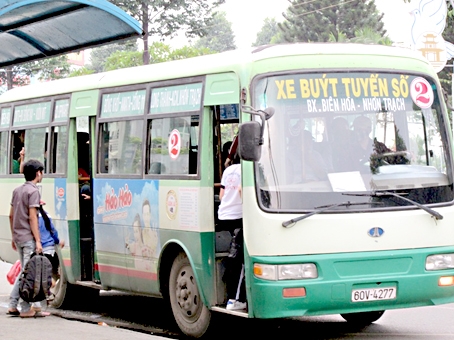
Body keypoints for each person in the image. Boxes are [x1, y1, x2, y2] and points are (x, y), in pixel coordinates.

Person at [7, 159, 47, 318]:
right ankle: (24, 308)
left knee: (24, 271)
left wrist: (13, 236)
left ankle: (14, 305)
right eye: (42, 172)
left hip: (18, 236)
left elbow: (11, 215)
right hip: (28, 237)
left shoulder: (17, 190)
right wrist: (38, 240)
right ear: (38, 173)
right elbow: (33, 218)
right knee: (28, 273)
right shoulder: (34, 192)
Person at [218, 152, 246, 310]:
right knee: (240, 258)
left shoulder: (227, 171)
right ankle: (236, 299)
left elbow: (222, 196)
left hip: (223, 216)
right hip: (238, 217)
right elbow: (242, 190)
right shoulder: (247, 170)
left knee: (232, 253)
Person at [31, 203, 65, 312]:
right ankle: (50, 284)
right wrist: (58, 241)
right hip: (50, 250)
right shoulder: (46, 215)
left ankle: (50, 284)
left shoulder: (32, 218)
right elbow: (53, 231)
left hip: (40, 249)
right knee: (47, 273)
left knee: (40, 277)